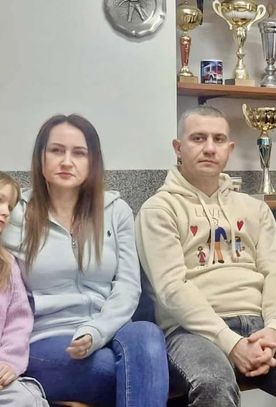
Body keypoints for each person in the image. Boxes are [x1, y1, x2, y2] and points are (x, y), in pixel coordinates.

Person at [135, 106, 276, 407]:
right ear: (178, 148)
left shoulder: (254, 208)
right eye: (198, 138)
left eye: (218, 139)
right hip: (190, 332)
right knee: (214, 384)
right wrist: (232, 343)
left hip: (261, 326)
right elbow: (172, 288)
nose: (209, 148)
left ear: (230, 149)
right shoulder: (159, 210)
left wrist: (274, 329)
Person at [2, 114, 169, 406]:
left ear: (93, 161)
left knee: (147, 334)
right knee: (129, 372)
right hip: (45, 340)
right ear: (41, 158)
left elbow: (128, 286)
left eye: (79, 153)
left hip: (112, 330)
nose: (67, 161)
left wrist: (97, 330)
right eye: (57, 150)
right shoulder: (19, 215)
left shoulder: (116, 211)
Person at [0, 172, 48, 406]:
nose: (5, 212)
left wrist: (8, 362)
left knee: (28, 399)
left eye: (9, 206)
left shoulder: (7, 265)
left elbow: (18, 322)